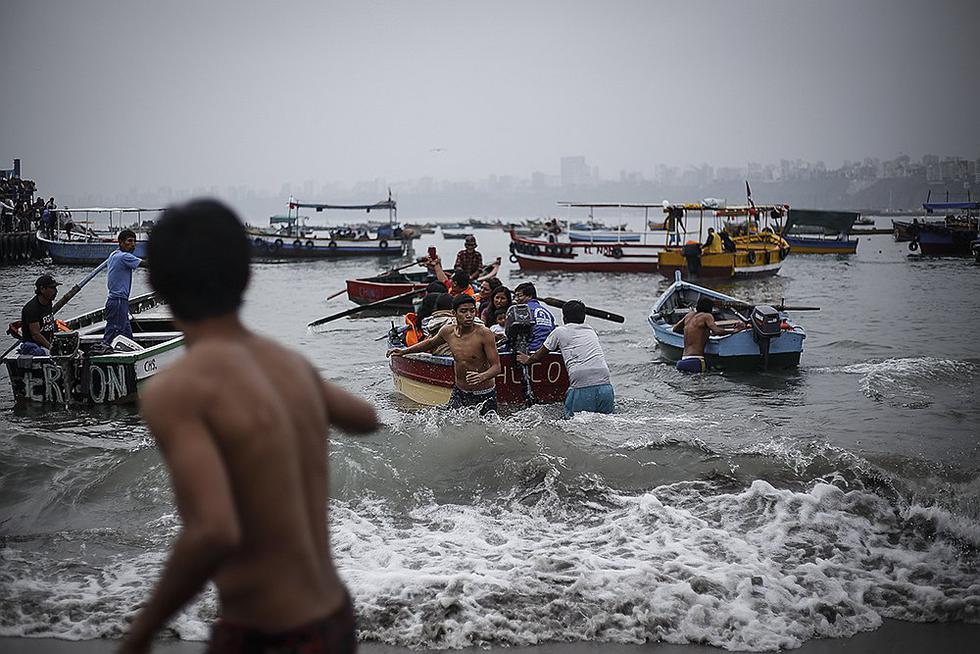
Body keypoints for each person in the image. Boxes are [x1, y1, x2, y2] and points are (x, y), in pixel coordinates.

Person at [120, 199, 378, 654]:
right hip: (335, 620)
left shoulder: (175, 390)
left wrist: (140, 635)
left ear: (156, 283)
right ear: (247, 277)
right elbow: (365, 418)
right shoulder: (289, 364)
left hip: (266, 633)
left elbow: (213, 531)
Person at [388, 294, 500, 416]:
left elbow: (496, 367)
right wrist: (404, 351)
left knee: (487, 426)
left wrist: (482, 376)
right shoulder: (447, 331)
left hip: (484, 393)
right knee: (451, 423)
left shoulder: (484, 334)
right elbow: (429, 343)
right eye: (463, 311)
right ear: (454, 313)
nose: (469, 315)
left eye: (472, 311)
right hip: (460, 391)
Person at [518, 299, 614, 417]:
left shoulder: (559, 332)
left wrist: (527, 359)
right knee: (606, 420)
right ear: (584, 317)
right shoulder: (590, 331)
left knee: (575, 423)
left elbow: (539, 355)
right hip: (605, 385)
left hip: (581, 384)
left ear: (564, 317)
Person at [671, 296, 746, 373]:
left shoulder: (688, 316)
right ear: (710, 308)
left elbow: (675, 329)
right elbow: (717, 331)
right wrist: (734, 330)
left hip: (682, 361)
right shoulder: (707, 316)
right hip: (696, 361)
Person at [102, 229, 146, 345]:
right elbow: (145, 264)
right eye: (129, 241)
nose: (133, 244)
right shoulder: (124, 257)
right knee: (113, 333)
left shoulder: (113, 254)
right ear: (121, 242)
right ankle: (104, 350)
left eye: (134, 241)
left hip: (118, 301)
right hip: (118, 301)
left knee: (127, 335)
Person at [18, 274, 61, 355]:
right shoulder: (31, 308)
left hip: (48, 341)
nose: (56, 291)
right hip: (35, 346)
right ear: (42, 289)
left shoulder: (48, 302)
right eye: (52, 288)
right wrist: (51, 348)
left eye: (55, 288)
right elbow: (35, 335)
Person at [512, 282, 555, 351]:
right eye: (515, 296)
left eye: (519, 296)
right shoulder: (548, 313)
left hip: (531, 349)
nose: (516, 299)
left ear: (529, 296)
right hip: (547, 349)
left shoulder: (523, 310)